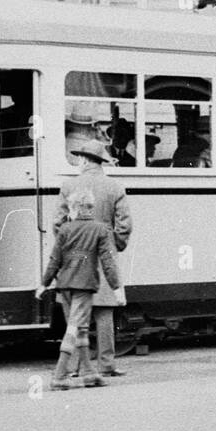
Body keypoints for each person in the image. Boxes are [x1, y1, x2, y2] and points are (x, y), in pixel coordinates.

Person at [54, 138, 132, 378]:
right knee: (105, 311)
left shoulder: (69, 185)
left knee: (76, 313)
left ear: (84, 160)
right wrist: (114, 244)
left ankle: (74, 366)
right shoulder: (115, 186)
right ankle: (107, 364)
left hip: (77, 255)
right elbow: (125, 224)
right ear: (100, 162)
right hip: (104, 250)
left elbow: (58, 223)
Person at [36, 189, 121, 390]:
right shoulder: (100, 230)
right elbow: (107, 261)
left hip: (64, 285)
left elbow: (54, 260)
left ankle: (90, 374)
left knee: (78, 328)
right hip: (84, 286)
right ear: (89, 208)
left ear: (75, 208)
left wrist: (43, 284)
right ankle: (59, 375)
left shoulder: (65, 229)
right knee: (75, 328)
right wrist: (117, 288)